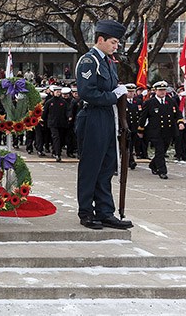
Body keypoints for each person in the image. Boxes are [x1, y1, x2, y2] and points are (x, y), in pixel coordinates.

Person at [74, 19, 133, 230]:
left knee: (107, 166)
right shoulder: (89, 61)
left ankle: (105, 211)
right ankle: (86, 211)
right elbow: (87, 92)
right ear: (101, 39)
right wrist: (112, 95)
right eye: (114, 42)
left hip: (107, 117)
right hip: (93, 117)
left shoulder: (108, 62)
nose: (116, 46)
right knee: (91, 166)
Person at [138, 81, 184, 179]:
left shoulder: (170, 101)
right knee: (159, 151)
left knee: (163, 151)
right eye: (160, 90)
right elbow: (143, 117)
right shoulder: (149, 102)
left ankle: (153, 165)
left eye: (164, 90)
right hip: (155, 131)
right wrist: (140, 130)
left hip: (168, 131)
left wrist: (180, 122)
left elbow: (177, 113)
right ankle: (162, 171)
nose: (162, 92)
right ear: (155, 91)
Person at [44, 87, 71, 162]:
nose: (58, 93)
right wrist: (43, 121)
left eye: (59, 92)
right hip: (52, 123)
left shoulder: (63, 102)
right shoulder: (49, 102)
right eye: (56, 92)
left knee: (60, 138)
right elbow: (45, 112)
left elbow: (67, 111)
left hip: (61, 123)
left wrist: (69, 116)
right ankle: (57, 154)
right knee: (56, 138)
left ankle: (55, 151)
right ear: (53, 92)